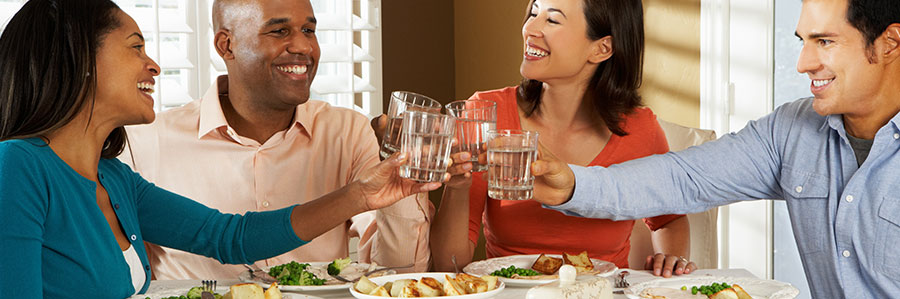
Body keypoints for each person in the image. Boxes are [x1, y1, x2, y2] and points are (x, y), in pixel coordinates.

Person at [0, 0, 441, 297]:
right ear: (78, 60)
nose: (153, 64)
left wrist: (362, 194)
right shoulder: (17, 168)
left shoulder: (115, 180)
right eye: (136, 48)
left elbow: (230, 237)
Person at [527, 0, 900, 296]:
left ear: (889, 43)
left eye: (825, 41)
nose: (803, 64)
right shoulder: (793, 131)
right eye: (803, 41)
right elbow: (683, 179)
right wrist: (572, 185)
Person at [119, 0, 434, 279]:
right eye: (279, 31)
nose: (302, 46)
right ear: (226, 45)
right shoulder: (143, 142)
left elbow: (397, 274)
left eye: (309, 30)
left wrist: (404, 178)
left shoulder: (349, 132)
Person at [428, 0, 695, 277]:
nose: (529, 28)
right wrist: (458, 185)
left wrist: (671, 259)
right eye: (533, 13)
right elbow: (450, 266)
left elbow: (669, 219)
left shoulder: (641, 130)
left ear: (601, 48)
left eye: (552, 20)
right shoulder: (483, 115)